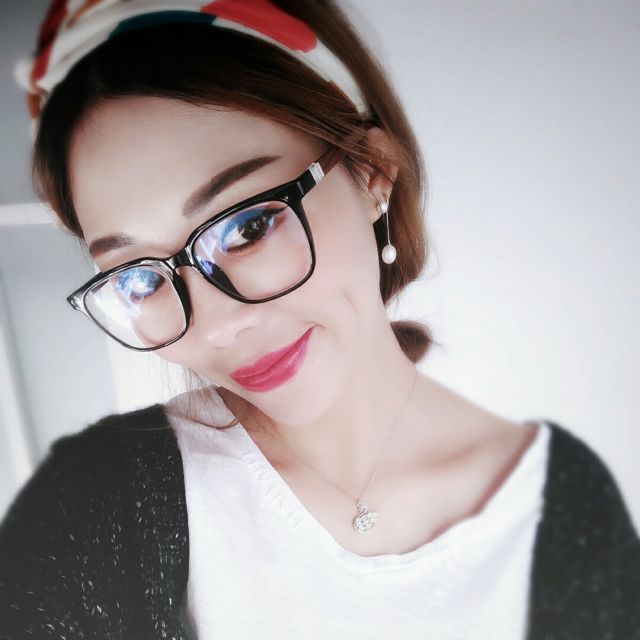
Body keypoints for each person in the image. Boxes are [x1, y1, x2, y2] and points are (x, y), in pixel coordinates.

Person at [1, 1, 639, 638]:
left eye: (249, 226)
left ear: (372, 172)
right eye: (139, 278)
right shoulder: (92, 503)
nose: (216, 326)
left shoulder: (562, 513)